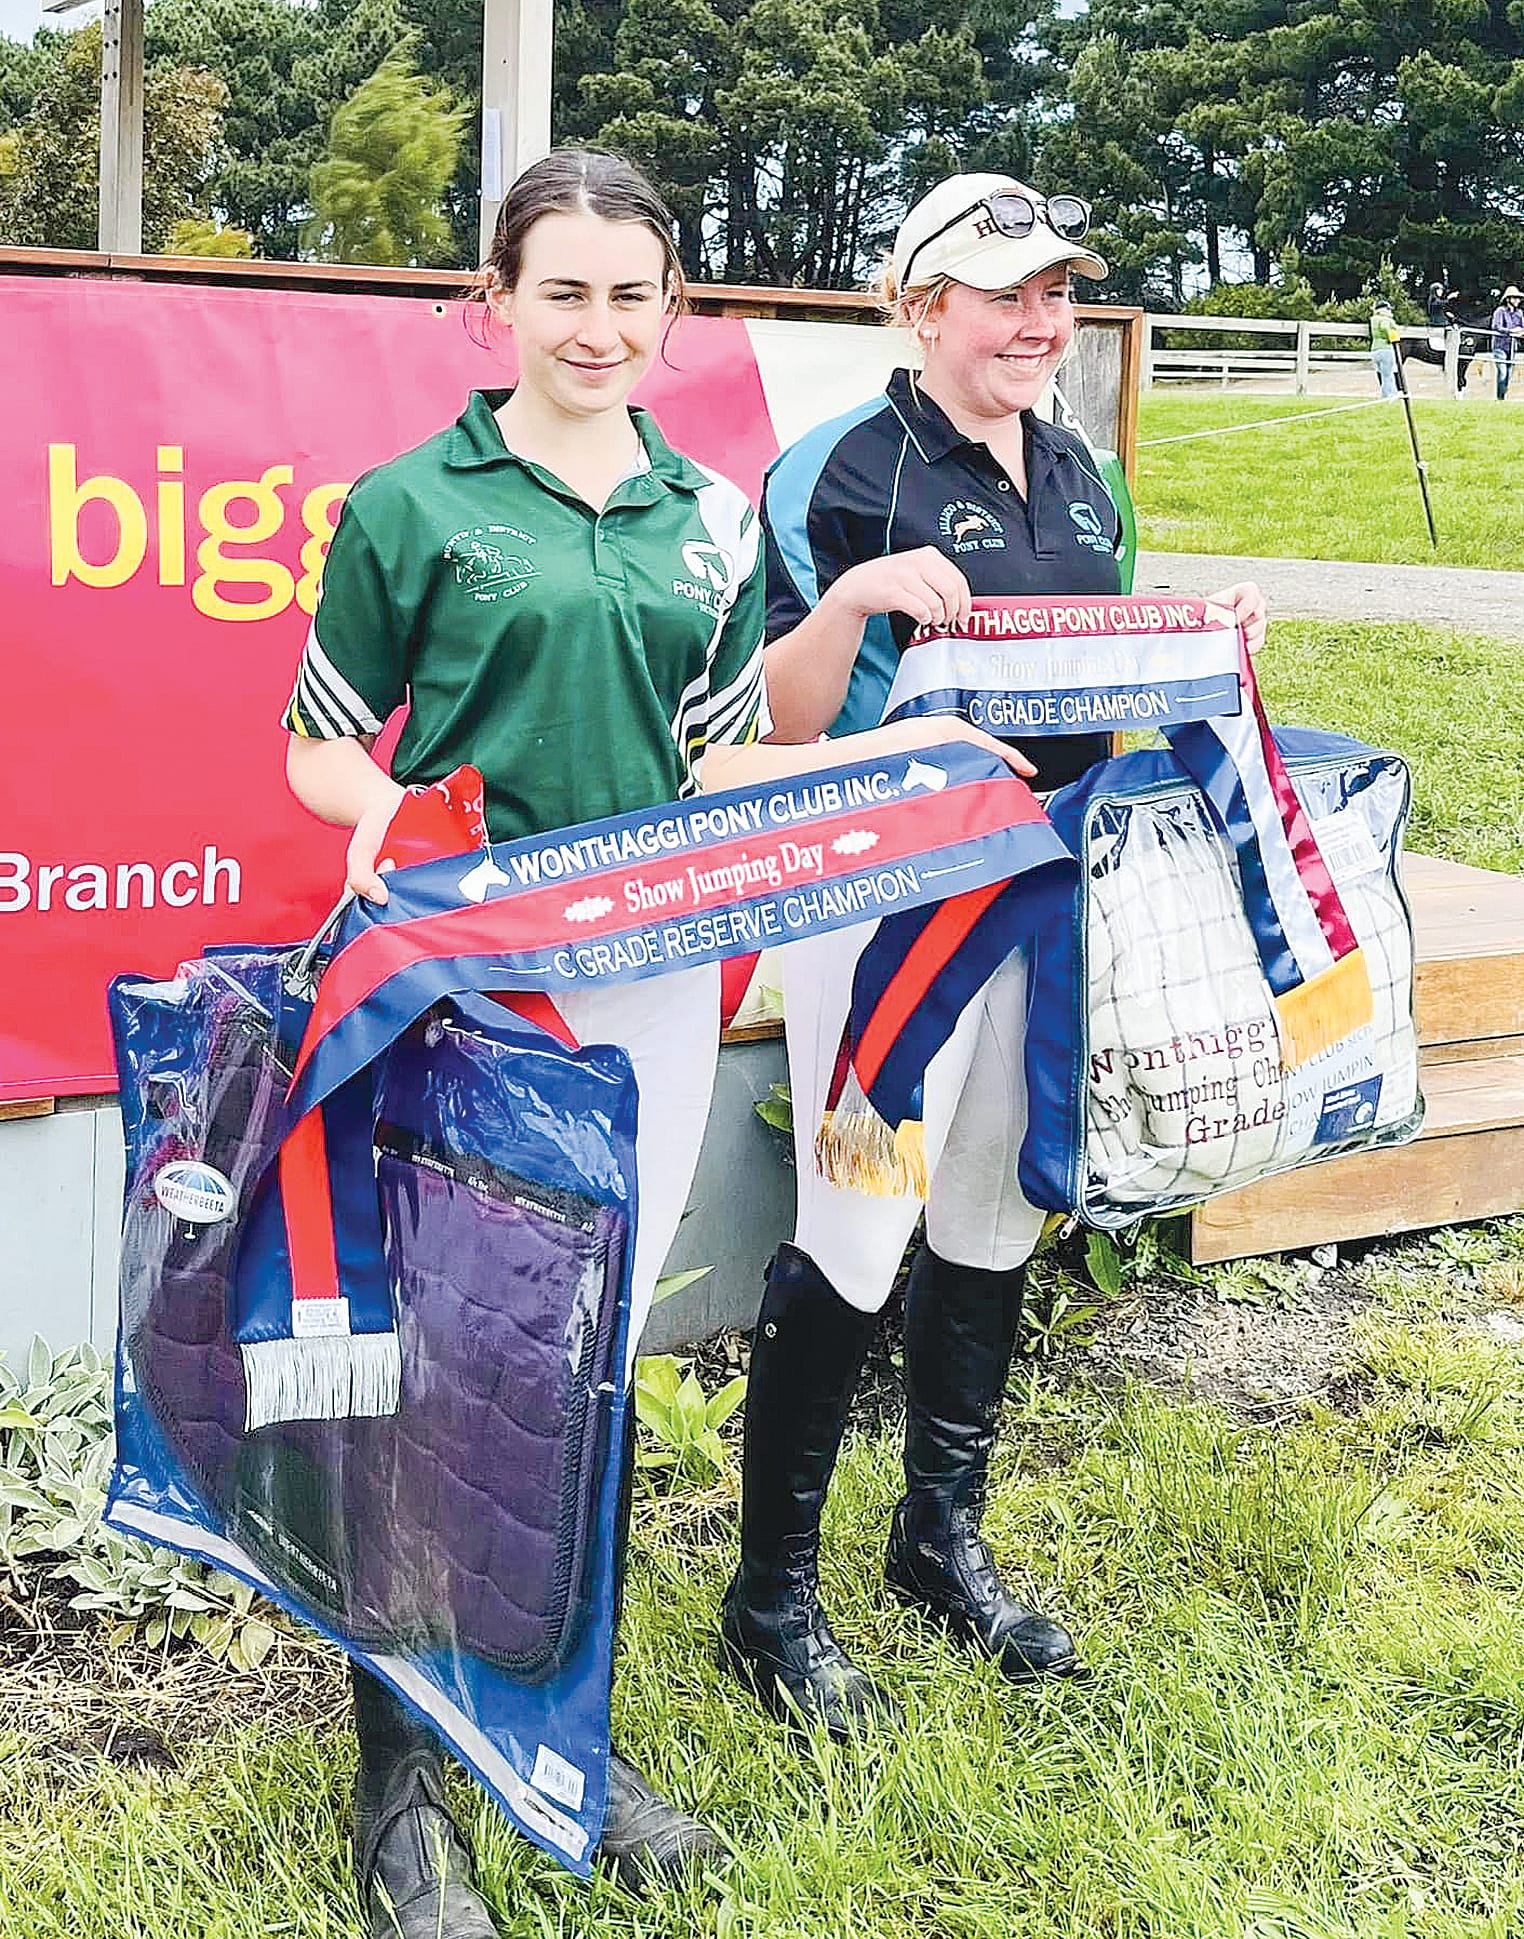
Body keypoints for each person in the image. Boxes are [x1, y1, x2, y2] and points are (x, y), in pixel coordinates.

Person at [283, 146, 1028, 1939]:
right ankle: (401, 1782)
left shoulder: (706, 518)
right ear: (499, 302)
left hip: (653, 998)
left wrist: (905, 779)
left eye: (632, 294)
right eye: (564, 291)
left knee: (592, 1358)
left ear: (667, 307)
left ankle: (561, 1723)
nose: (599, 326)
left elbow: (712, 769)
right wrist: (373, 805)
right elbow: (315, 739)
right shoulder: (408, 505)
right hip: (474, 990)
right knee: (450, 1367)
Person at [718, 173, 1267, 1740]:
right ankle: (773, 1596)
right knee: (856, 1227)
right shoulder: (835, 468)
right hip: (886, 914)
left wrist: (1200, 627)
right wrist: (851, 597)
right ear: (921, 304)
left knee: (992, 1207)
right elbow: (771, 715)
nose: (1043, 320)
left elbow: (1096, 661)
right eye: (1007, 291)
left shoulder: (1085, 470)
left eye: (1060, 293)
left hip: (1049, 889)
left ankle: (935, 1540)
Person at [1490, 285, 1523, 400]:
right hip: (1500, 346)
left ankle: (1502, 397)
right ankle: (1499, 398)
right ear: (1508, 299)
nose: (1517, 301)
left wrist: (1520, 332)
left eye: (1518, 298)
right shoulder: (1500, 311)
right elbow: (1496, 326)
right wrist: (1511, 331)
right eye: (1515, 298)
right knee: (1502, 372)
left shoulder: (1519, 313)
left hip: (1513, 347)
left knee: (1508, 375)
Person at [1370, 299, 1402, 400]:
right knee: (1388, 375)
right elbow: (1385, 328)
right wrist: (1392, 338)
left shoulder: (1373, 320)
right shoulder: (1386, 319)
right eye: (1389, 309)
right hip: (1386, 348)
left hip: (1375, 349)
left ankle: (1384, 395)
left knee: (1382, 374)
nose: (1390, 311)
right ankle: (1391, 395)